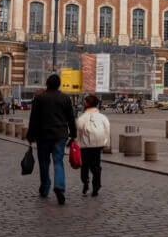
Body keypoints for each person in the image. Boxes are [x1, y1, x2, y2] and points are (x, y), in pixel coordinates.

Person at [27, 74, 77, 205]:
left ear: (47, 84)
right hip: (60, 135)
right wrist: (73, 134)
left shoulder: (39, 98)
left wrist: (30, 135)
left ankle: (45, 187)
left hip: (42, 135)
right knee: (58, 161)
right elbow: (71, 118)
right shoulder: (65, 98)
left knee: (44, 162)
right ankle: (59, 184)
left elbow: (34, 118)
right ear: (59, 84)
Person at [76, 94, 110, 197]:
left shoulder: (82, 118)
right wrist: (106, 144)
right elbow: (107, 131)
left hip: (85, 146)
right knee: (96, 165)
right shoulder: (103, 117)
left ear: (86, 103)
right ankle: (96, 185)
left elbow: (78, 133)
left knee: (85, 165)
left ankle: (85, 182)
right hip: (98, 144)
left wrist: (77, 144)